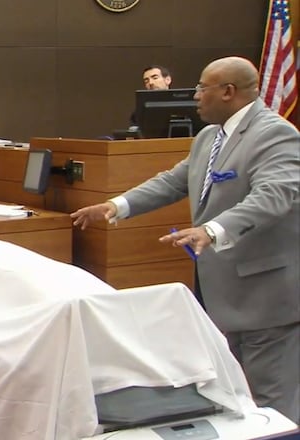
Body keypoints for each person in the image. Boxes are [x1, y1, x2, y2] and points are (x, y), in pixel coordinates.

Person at [71, 56, 300, 423]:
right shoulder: (211, 136)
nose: (194, 96)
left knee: (271, 400)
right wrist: (117, 205)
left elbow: (274, 195)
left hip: (266, 295)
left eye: (201, 88)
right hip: (223, 295)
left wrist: (212, 229)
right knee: (237, 396)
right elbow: (173, 181)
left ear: (228, 92)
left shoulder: (275, 134)